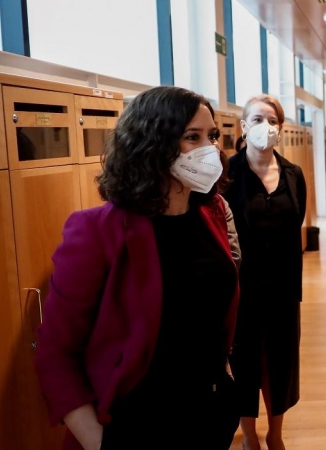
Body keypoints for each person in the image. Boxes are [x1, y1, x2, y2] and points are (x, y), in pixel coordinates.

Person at [34, 86, 241, 450]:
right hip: (137, 423)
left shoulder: (211, 214)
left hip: (209, 414)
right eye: (192, 137)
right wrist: (99, 441)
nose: (210, 149)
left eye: (212, 136)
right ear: (153, 144)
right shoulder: (96, 230)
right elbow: (55, 353)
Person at [224, 94, 306, 450]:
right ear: (243, 127)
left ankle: (275, 432)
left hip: (283, 286)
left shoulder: (293, 174)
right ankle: (249, 435)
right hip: (241, 287)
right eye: (256, 119)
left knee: (281, 360)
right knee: (244, 360)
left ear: (280, 127)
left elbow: (296, 222)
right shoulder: (227, 173)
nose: (265, 126)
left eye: (271, 120)